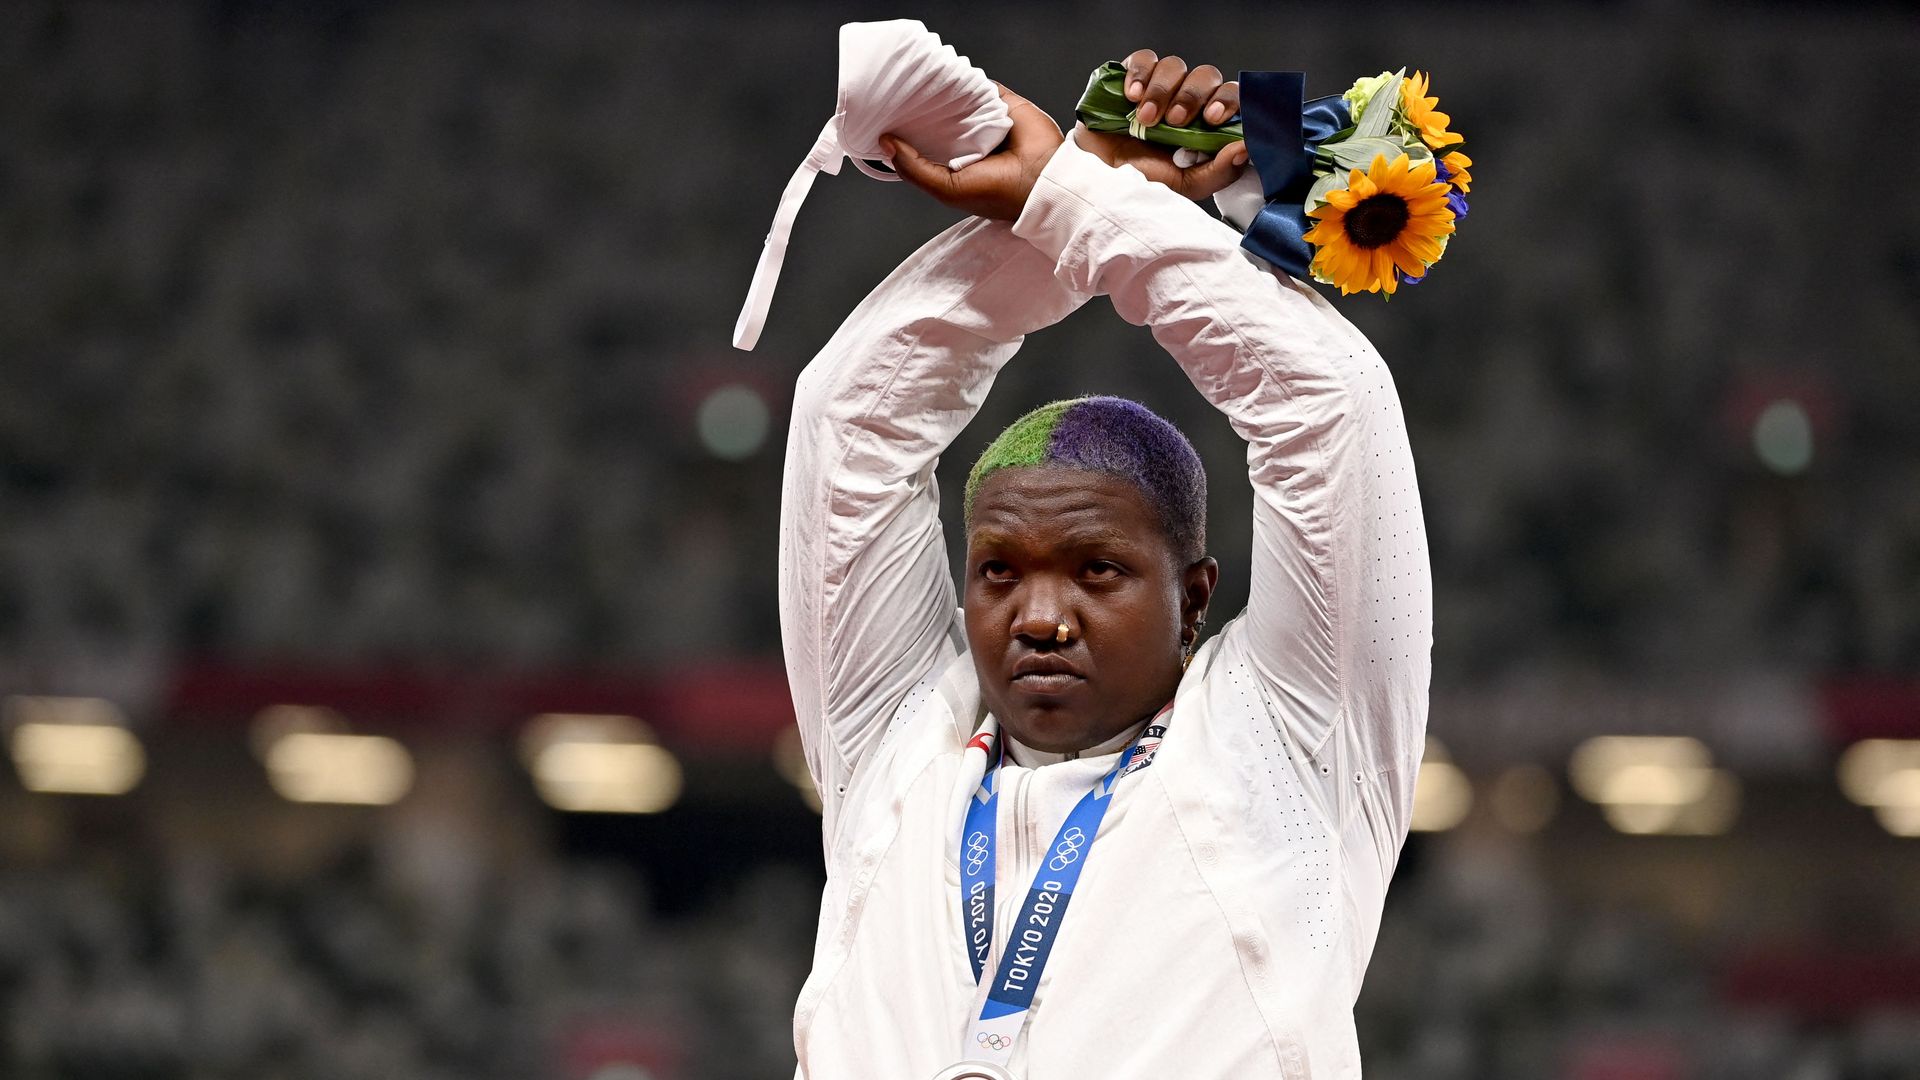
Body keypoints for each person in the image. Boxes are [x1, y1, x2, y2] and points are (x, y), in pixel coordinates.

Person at [778, 50, 1432, 1079]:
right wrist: (1076, 196)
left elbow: (1329, 407)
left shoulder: (1291, 743)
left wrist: (1073, 201)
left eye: (1097, 572)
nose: (1040, 617)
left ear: (1194, 600)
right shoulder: (896, 737)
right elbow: (852, 418)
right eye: (1000, 574)